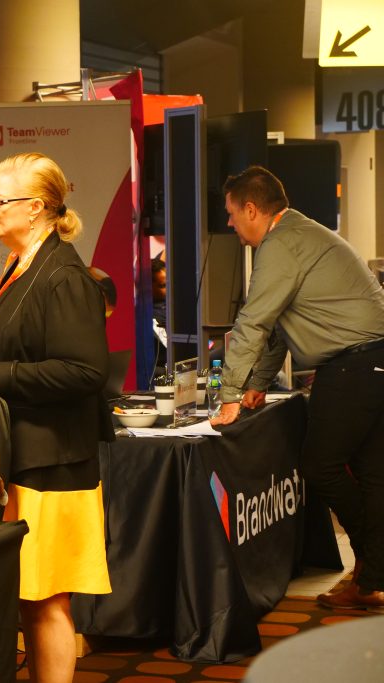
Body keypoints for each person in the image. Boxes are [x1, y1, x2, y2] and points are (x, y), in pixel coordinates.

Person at [0, 152, 112, 683]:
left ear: (37, 207)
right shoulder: (20, 265)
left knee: (47, 599)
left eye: (0, 199)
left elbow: (84, 371)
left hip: (53, 462)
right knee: (29, 594)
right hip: (23, 454)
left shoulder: (63, 275)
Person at [210, 165, 384, 609]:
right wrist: (256, 383)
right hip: (373, 362)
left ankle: (373, 564)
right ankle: (371, 580)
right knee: (371, 475)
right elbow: (281, 327)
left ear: (252, 209)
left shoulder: (281, 244)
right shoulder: (299, 234)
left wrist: (229, 396)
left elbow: (254, 322)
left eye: (232, 213)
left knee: (320, 467)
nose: (230, 223)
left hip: (353, 367)